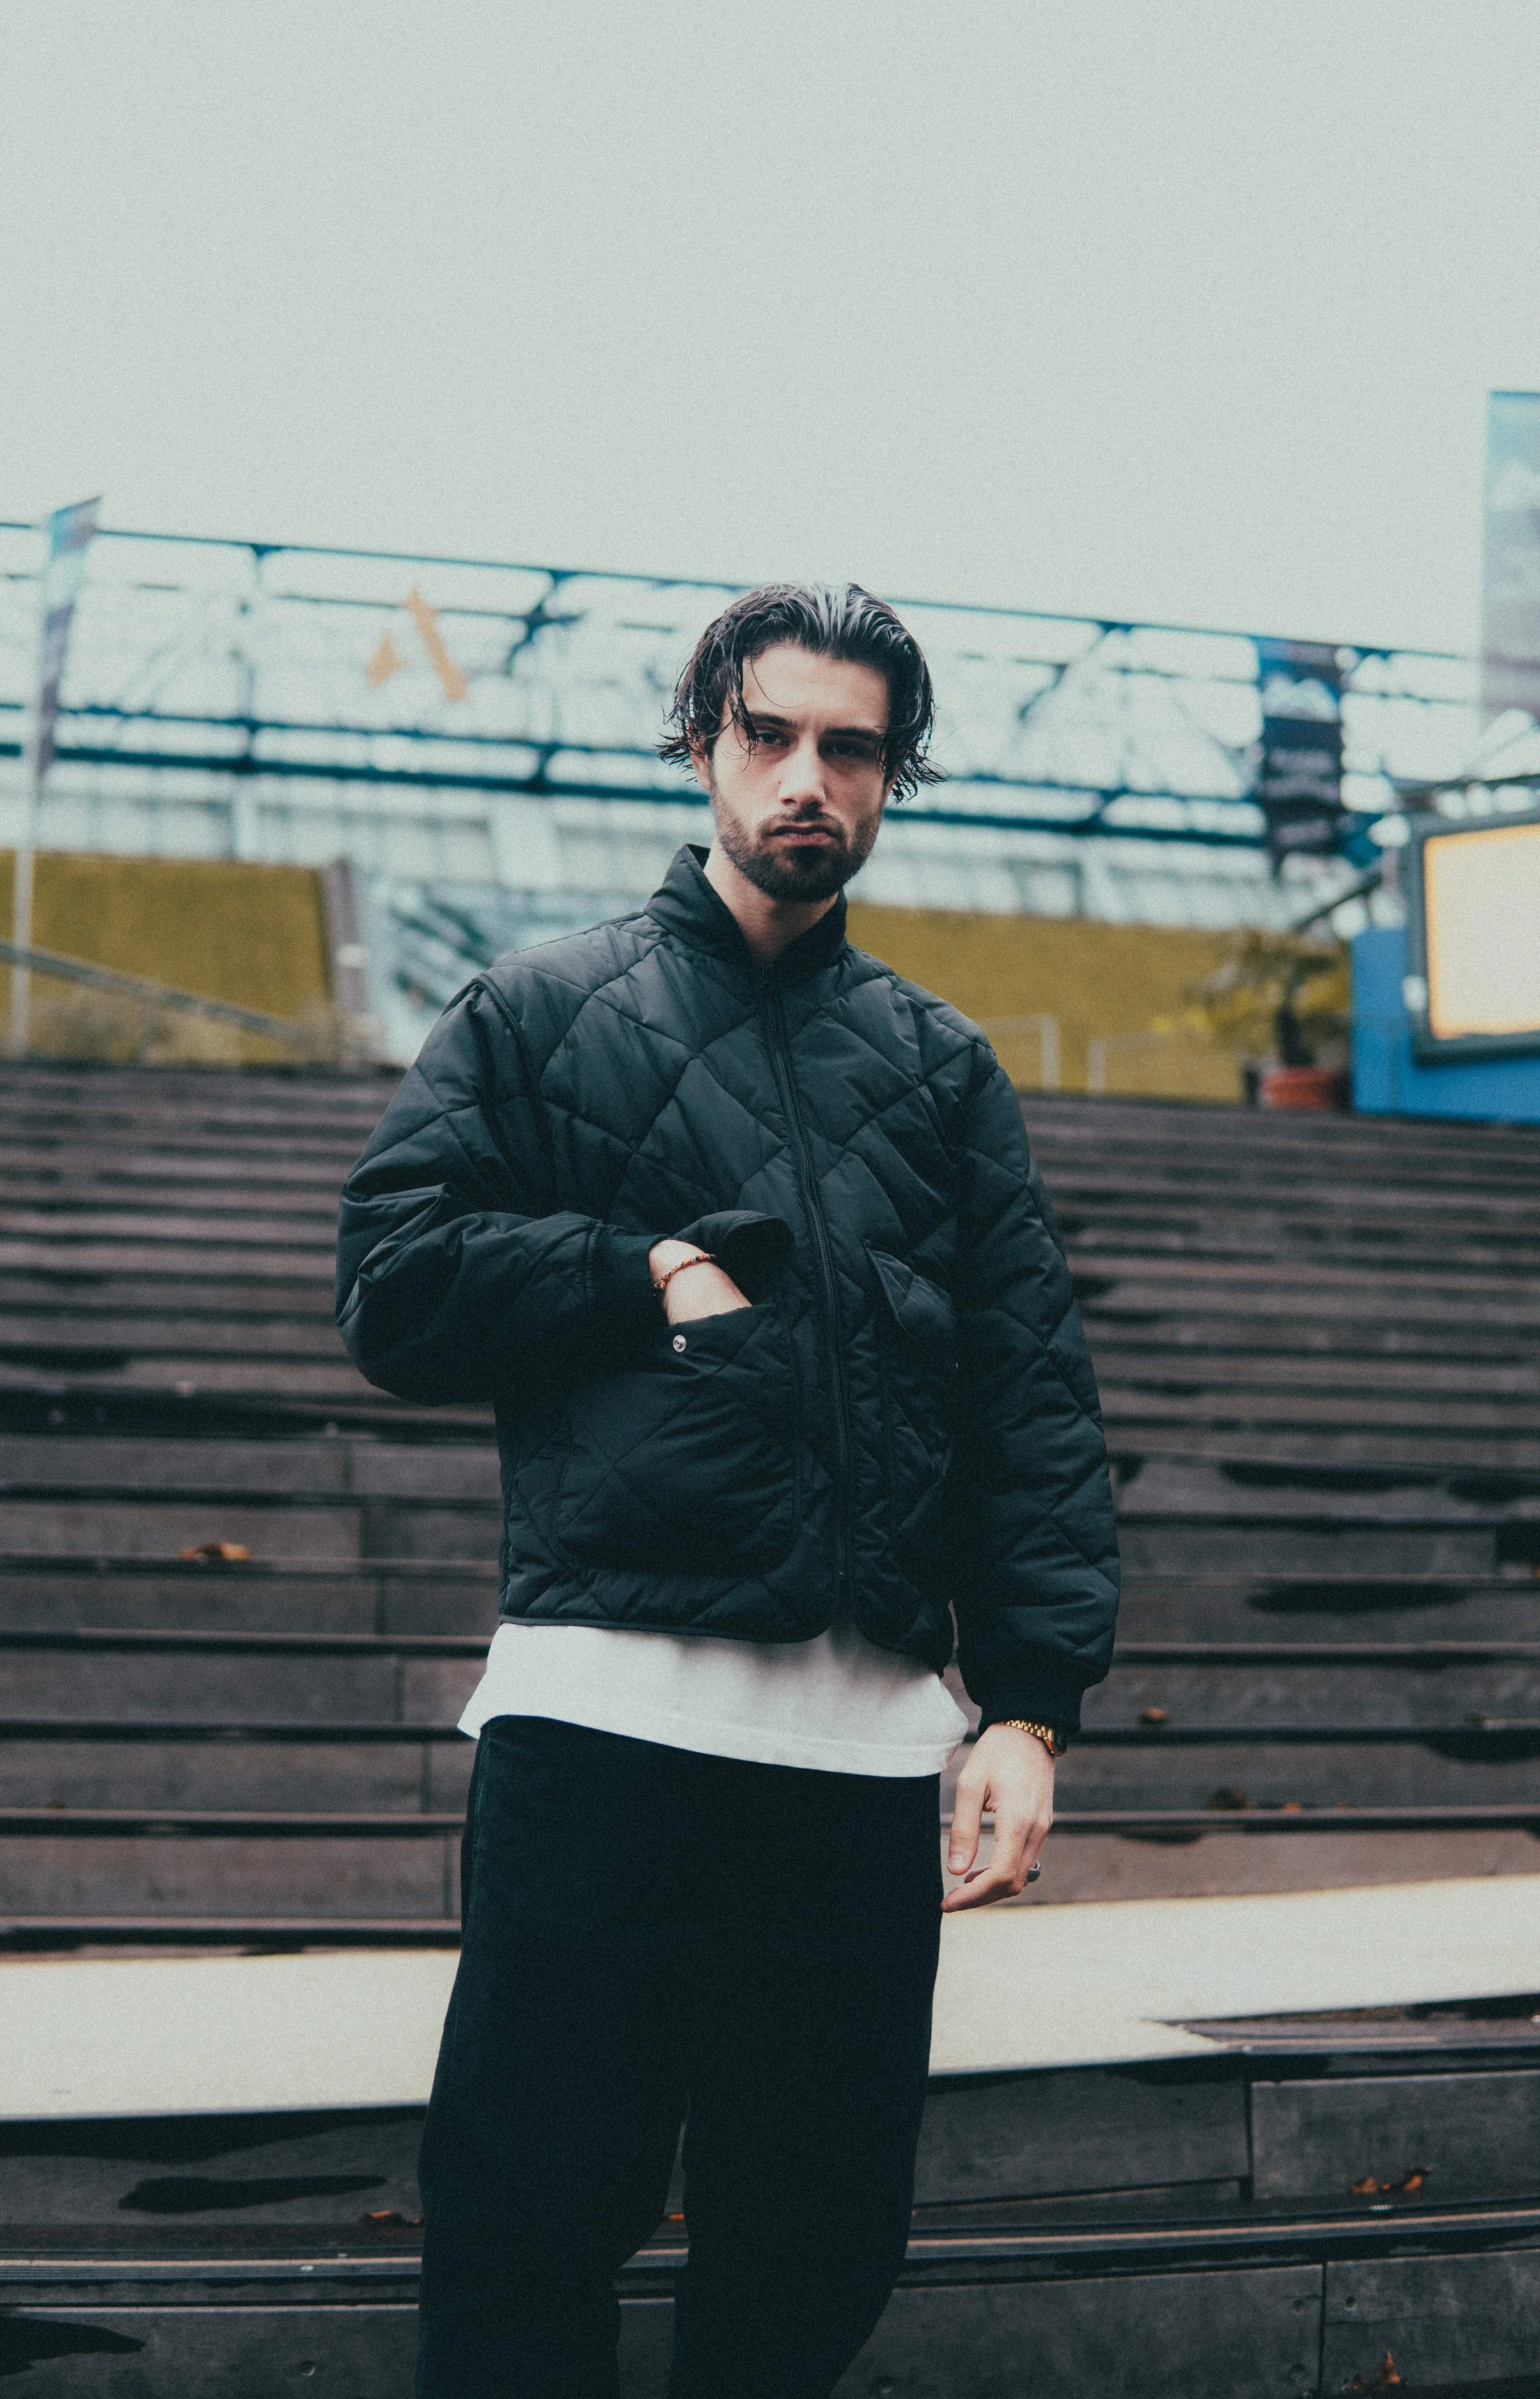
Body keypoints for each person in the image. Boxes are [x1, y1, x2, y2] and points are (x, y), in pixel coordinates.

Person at [336, 582, 1119, 2398]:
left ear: (887, 780)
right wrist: (636, 1272)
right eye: (766, 734)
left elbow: (1027, 1393)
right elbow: (392, 1275)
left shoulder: (937, 1068)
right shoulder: (539, 1013)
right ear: (703, 743)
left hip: (854, 1767)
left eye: (848, 748)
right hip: (605, 1724)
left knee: (814, 2247)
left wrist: (1029, 1705)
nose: (802, 780)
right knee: (529, 2226)